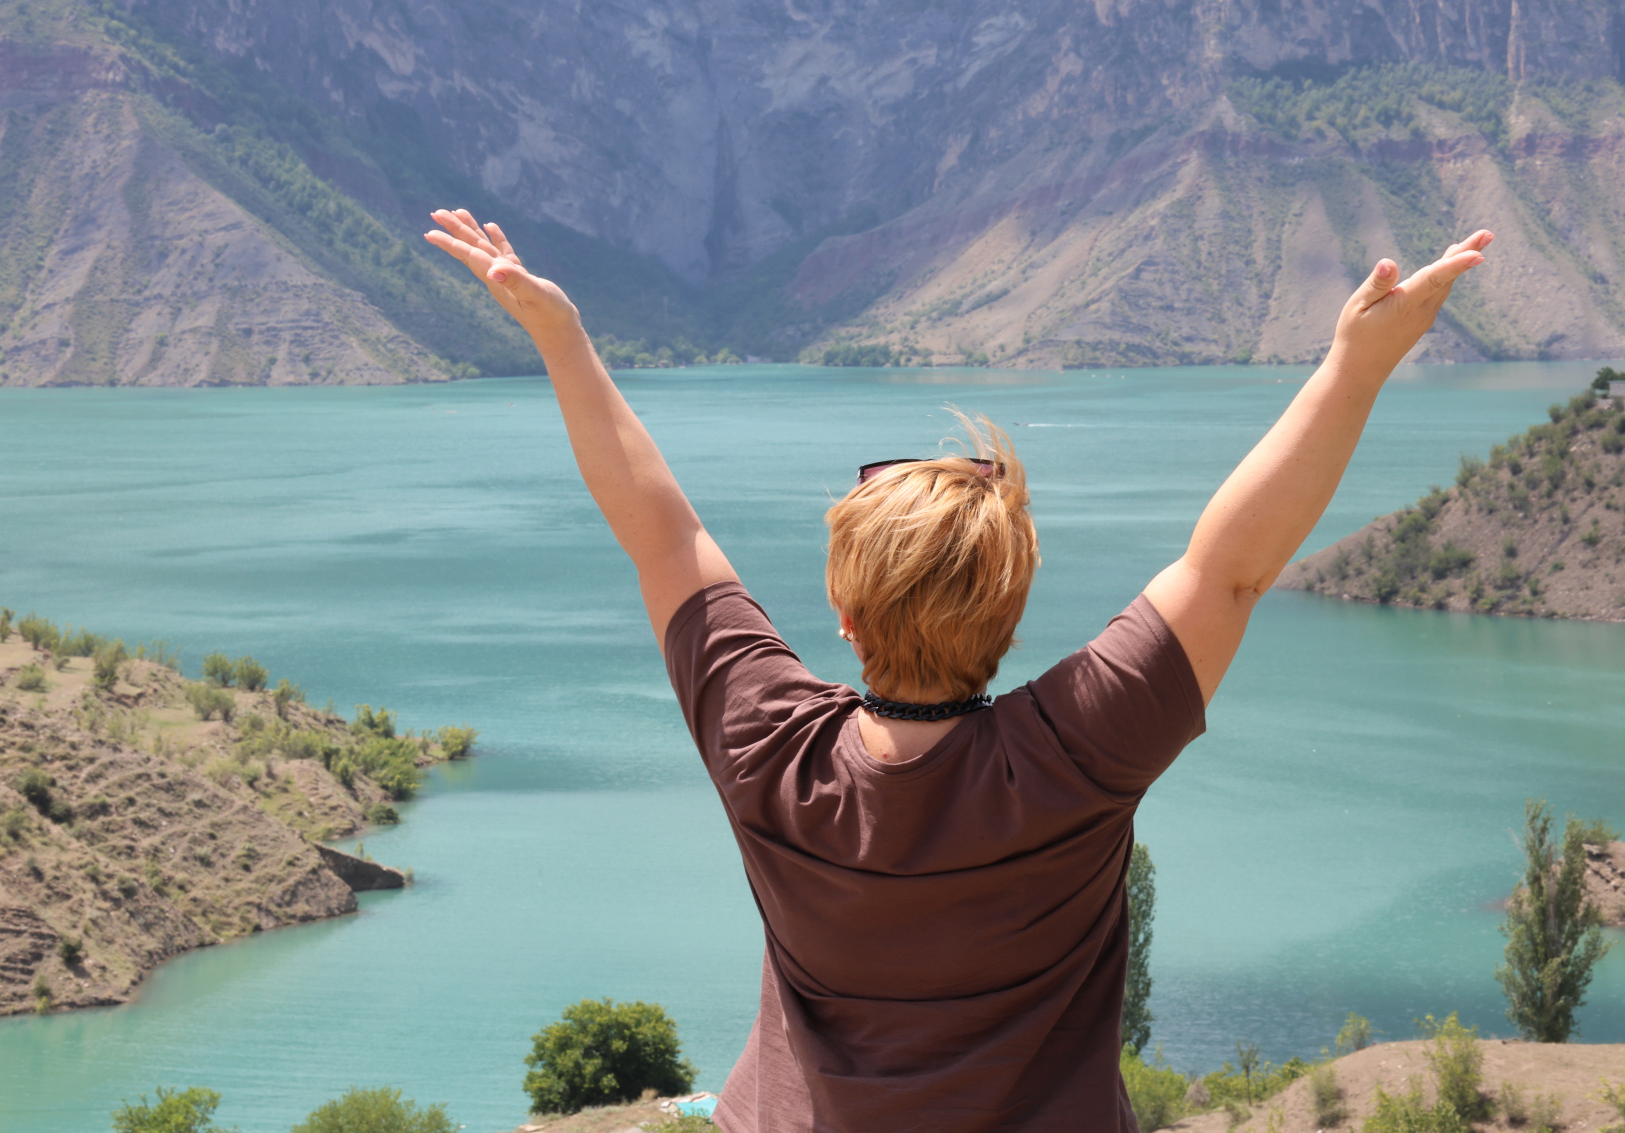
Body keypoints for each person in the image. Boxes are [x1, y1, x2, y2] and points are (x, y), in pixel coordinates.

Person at [425, 210, 1491, 1132]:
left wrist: (561, 340)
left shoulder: (769, 744)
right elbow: (1229, 571)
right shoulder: (1073, 752)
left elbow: (659, 532)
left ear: (842, 615)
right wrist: (1355, 365)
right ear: (1010, 616)